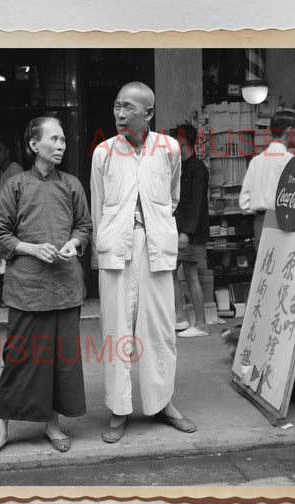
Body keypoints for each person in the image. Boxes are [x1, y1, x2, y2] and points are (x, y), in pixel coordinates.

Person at [0, 117, 92, 465]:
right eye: (53, 139)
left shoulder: (71, 184)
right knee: (18, 359)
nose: (61, 145)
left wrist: (73, 242)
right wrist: (31, 248)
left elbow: (84, 226)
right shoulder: (15, 185)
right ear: (33, 145)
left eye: (62, 140)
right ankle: (1, 430)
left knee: (58, 361)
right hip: (26, 287)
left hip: (65, 287)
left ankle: (51, 425)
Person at [90, 81, 197, 443]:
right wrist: (101, 247)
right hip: (117, 247)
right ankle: (119, 409)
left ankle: (162, 402)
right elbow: (98, 206)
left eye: (128, 108)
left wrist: (155, 224)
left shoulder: (168, 149)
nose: (120, 114)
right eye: (117, 106)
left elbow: (172, 197)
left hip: (156, 246)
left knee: (160, 331)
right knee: (116, 331)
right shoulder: (103, 153)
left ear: (148, 112)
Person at [172, 124, 211, 338]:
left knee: (185, 273)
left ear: (182, 141)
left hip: (191, 234)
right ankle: (185, 319)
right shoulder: (183, 166)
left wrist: (186, 233)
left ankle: (198, 323)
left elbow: (197, 205)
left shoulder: (197, 168)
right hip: (184, 232)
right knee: (185, 273)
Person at [239, 110, 295, 247]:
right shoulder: (291, 161)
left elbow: (244, 202)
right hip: (283, 223)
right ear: (290, 131)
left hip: (260, 222)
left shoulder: (256, 161)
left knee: (264, 266)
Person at [0, 137, 24, 283]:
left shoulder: (15, 169)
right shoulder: (4, 171)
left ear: (8, 151)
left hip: (13, 223)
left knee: (10, 260)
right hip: (5, 222)